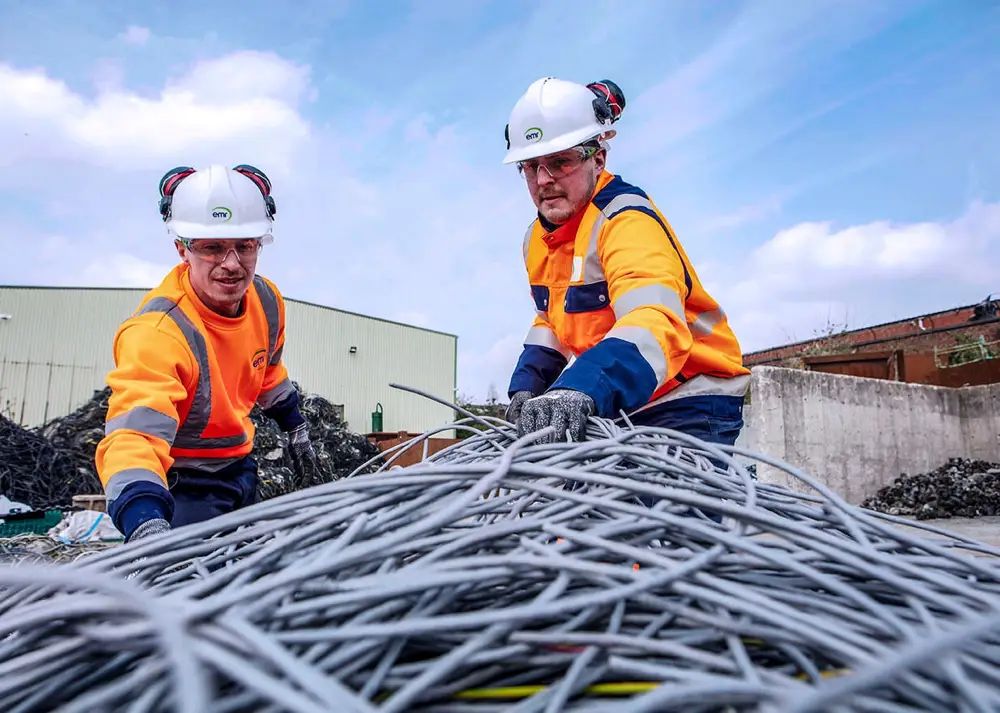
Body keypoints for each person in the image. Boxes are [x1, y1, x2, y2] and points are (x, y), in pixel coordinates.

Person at [502, 77, 751, 454]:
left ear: (598, 158)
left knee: (655, 510)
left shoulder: (626, 219)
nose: (544, 180)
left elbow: (654, 319)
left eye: (560, 162)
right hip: (629, 392)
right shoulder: (536, 240)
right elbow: (550, 321)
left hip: (689, 394)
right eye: (530, 166)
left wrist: (582, 384)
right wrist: (527, 386)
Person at [95, 164, 316, 544]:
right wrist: (144, 519)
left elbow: (265, 370)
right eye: (212, 247)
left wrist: (294, 425)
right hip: (186, 486)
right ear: (182, 248)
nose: (231, 264)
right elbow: (134, 438)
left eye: (244, 246)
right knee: (196, 590)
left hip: (241, 468)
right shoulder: (158, 332)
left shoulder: (266, 301)